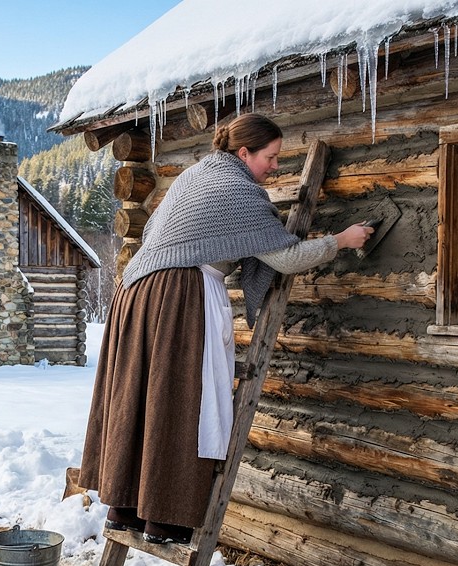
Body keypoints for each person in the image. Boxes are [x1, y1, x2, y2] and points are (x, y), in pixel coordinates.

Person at [78, 113, 372, 544]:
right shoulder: (237, 191)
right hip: (178, 296)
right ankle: (166, 518)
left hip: (136, 296)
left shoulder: (196, 175)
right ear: (243, 153)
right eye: (270, 157)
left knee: (142, 402)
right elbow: (287, 259)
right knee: (183, 402)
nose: (275, 166)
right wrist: (340, 241)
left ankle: (125, 510)